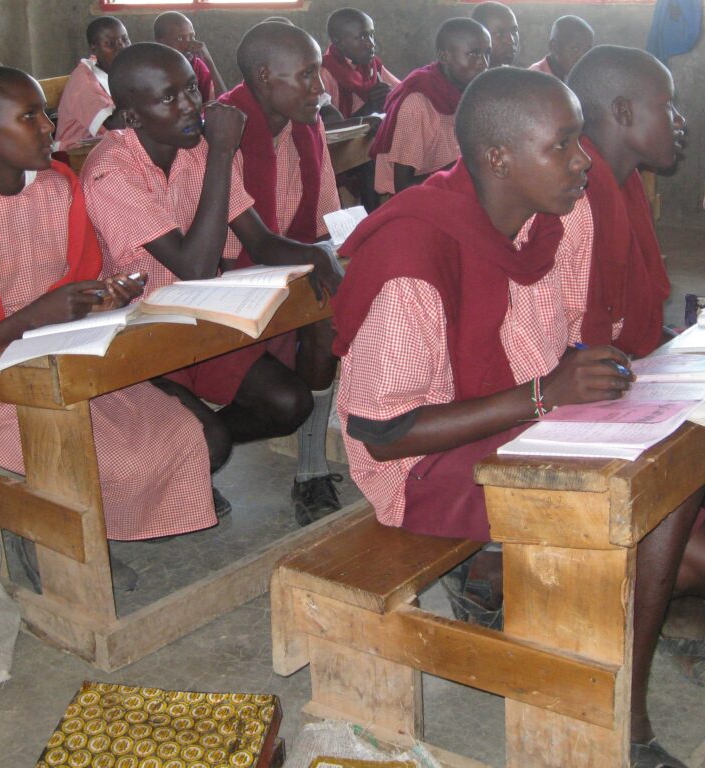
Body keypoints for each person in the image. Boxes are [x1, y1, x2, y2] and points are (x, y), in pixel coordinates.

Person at [334, 65, 703, 768]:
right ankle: (618, 713)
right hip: (424, 467)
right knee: (656, 511)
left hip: (519, 416)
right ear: (499, 157)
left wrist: (583, 380)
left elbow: (561, 337)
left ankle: (579, 634)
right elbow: (381, 434)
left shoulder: (539, 222)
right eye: (563, 145)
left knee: (674, 454)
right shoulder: (415, 254)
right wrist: (543, 395)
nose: (582, 160)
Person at [0, 66, 217, 553]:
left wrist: (105, 295)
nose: (48, 126)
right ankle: (57, 538)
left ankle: (89, 528)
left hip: (64, 358)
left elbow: (74, 287)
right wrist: (35, 316)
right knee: (124, 459)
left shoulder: (58, 187)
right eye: (29, 116)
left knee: (185, 433)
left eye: (45, 113)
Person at [82, 43, 341, 520]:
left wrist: (321, 257)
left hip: (196, 321)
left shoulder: (196, 151)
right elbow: (194, 265)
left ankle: (188, 452)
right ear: (132, 117)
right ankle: (193, 452)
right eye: (169, 99)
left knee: (289, 404)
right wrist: (222, 150)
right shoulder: (111, 172)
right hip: (138, 337)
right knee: (214, 445)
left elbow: (260, 242)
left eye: (190, 90)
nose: (189, 107)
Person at [563, 46, 705, 712]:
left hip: (621, 380)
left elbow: (638, 323)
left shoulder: (623, 185)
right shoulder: (574, 193)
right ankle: (626, 699)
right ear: (621, 112)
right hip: (572, 404)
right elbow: (580, 346)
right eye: (666, 105)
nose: (679, 120)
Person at [217, 22, 344, 524]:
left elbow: (326, 220)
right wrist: (317, 259)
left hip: (282, 279)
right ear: (265, 77)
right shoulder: (222, 133)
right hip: (226, 290)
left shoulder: (306, 124)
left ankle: (311, 473)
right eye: (309, 75)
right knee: (283, 402)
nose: (322, 88)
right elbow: (239, 250)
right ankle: (186, 457)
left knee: (328, 316)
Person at [370, 18, 489, 196]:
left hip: (451, 194)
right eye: (474, 54)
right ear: (444, 56)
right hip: (411, 204)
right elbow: (403, 187)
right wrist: (462, 168)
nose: (484, 63)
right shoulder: (417, 104)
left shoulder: (471, 92)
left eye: (487, 53)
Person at [55, 17, 131, 151]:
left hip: (103, 148)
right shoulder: (85, 83)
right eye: (111, 44)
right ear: (93, 49)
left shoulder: (115, 70)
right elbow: (115, 125)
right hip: (73, 156)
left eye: (125, 40)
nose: (122, 47)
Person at [319, 8, 400, 121]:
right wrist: (370, 107)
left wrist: (390, 95)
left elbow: (400, 90)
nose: (371, 44)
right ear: (339, 43)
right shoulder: (324, 73)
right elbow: (327, 128)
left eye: (371, 35)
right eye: (362, 37)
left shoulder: (371, 65)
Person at [154, 11, 226, 104]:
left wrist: (209, 63)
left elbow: (225, 103)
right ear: (161, 43)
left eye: (192, 37)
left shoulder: (197, 65)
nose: (188, 45)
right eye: (180, 38)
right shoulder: (152, 70)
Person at [529, 16, 594, 80]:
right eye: (575, 49)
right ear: (554, 47)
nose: (582, 57)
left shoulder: (580, 77)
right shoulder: (534, 80)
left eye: (586, 51)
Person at [471, 1, 520, 68]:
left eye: (514, 31)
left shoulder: (513, 76)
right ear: (478, 37)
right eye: (499, 34)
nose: (511, 41)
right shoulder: (467, 77)